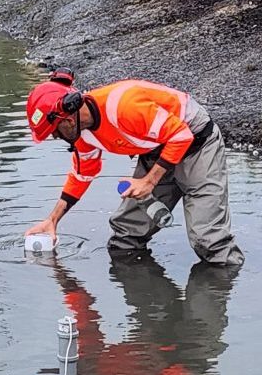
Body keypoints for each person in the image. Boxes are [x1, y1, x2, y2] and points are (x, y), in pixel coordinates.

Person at [24, 68, 243, 265]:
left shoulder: (123, 106)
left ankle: (222, 292)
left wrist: (149, 182)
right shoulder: (82, 134)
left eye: (53, 131)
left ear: (68, 120)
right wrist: (52, 220)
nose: (54, 137)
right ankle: (150, 304)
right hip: (156, 152)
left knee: (208, 240)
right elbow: (82, 174)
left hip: (196, 145)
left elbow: (181, 135)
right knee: (125, 238)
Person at [28, 254, 238, 375]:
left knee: (135, 271)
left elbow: (86, 319)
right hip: (185, 361)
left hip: (160, 347)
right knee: (197, 324)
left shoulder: (88, 368)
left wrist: (63, 277)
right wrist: (170, 358)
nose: (59, 372)